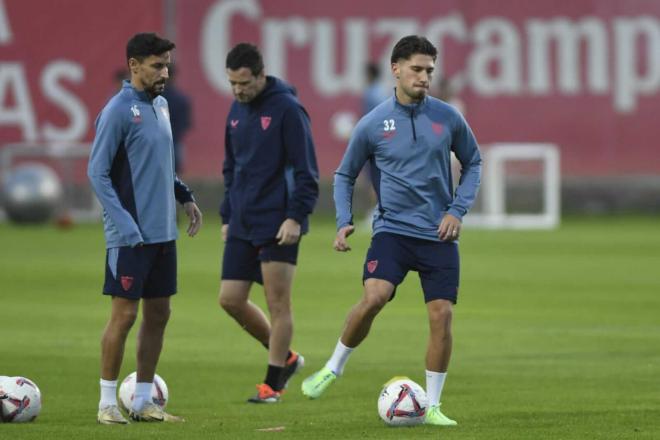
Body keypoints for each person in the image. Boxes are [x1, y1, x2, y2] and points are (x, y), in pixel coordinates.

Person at [301, 35, 482, 427]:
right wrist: (344, 220)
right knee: (374, 297)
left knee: (442, 316)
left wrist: (457, 210)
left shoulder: (448, 117)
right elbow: (345, 174)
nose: (424, 77)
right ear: (396, 69)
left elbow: (475, 163)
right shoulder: (373, 124)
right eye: (417, 69)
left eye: (430, 71)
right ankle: (333, 367)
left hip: (438, 233)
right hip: (393, 231)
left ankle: (432, 406)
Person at [88, 32, 203, 424]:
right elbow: (97, 173)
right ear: (134, 65)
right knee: (123, 317)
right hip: (130, 238)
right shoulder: (118, 110)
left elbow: (162, 164)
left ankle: (141, 403)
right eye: (156, 65)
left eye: (167, 64)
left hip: (162, 235)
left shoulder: (162, 106)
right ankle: (106, 404)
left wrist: (185, 197)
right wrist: (126, 226)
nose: (164, 72)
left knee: (159, 314)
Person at [218, 43, 319, 403]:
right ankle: (286, 356)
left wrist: (296, 217)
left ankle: (272, 385)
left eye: (244, 83)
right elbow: (231, 168)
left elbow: (307, 172)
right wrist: (228, 215)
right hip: (243, 221)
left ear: (261, 75)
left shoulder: (288, 109)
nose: (238, 90)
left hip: (279, 222)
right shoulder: (235, 110)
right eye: (232, 83)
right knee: (230, 299)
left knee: (278, 304)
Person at [161, 64, 192, 174]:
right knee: (175, 176)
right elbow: (187, 124)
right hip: (175, 142)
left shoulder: (151, 98)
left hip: (155, 144)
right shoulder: (181, 99)